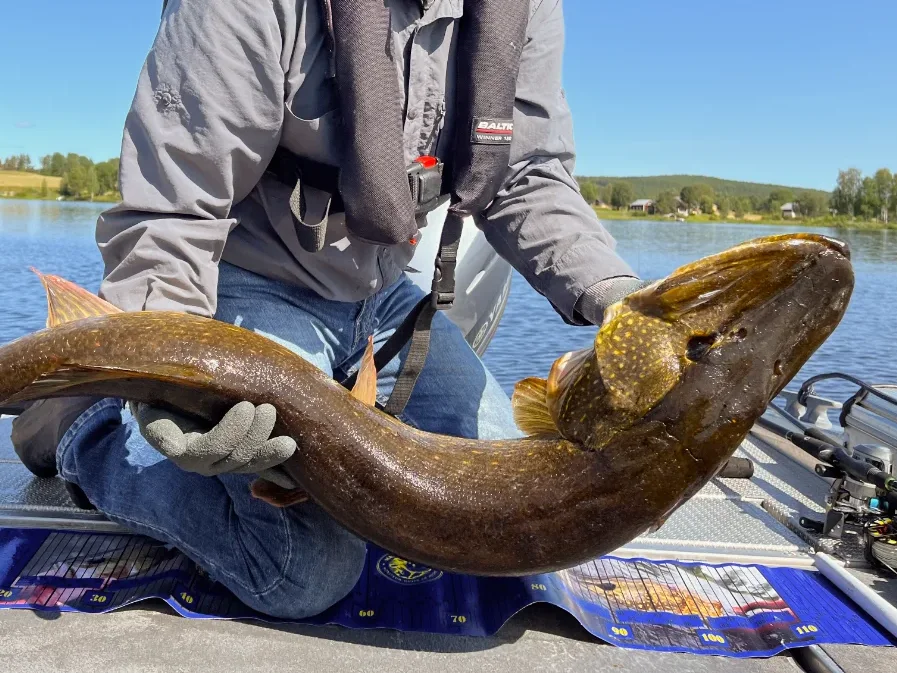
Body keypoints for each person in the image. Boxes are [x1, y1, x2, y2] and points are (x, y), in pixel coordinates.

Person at [12, 0, 645, 619]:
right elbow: (174, 203)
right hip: (247, 279)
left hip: (383, 295)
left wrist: (625, 306)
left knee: (516, 520)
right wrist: (165, 379)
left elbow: (524, 174)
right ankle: (82, 423)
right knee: (300, 571)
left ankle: (330, 384)